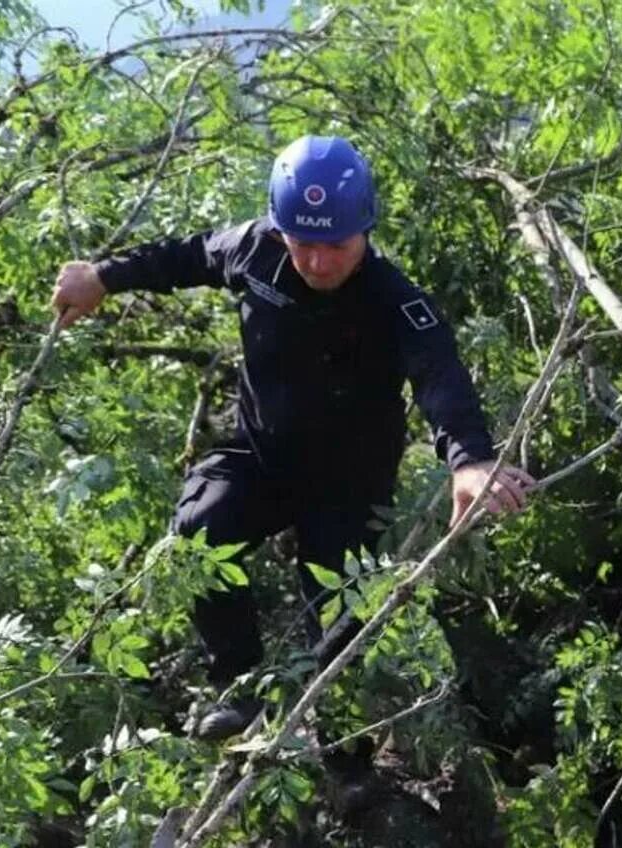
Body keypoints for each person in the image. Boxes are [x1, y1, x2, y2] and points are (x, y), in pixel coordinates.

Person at [49, 135, 533, 740]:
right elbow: (189, 255)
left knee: (338, 626)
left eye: (336, 245)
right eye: (303, 243)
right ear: (282, 232)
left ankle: (344, 758)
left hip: (347, 488)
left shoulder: (395, 299)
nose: (319, 262)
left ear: (365, 229)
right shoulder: (256, 249)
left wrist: (469, 462)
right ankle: (239, 691)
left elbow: (440, 378)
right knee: (200, 532)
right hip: (263, 456)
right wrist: (102, 276)